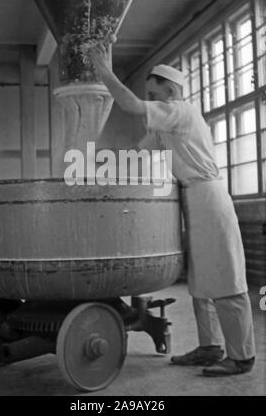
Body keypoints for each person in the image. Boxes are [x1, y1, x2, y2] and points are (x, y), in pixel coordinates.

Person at [89, 43, 256, 376]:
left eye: (156, 93)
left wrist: (105, 73)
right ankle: (210, 347)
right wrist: (96, 164)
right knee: (201, 281)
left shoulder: (181, 111)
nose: (153, 100)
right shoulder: (166, 128)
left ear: (172, 89)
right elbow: (136, 151)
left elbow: (131, 105)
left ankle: (242, 357)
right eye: (150, 94)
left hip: (209, 197)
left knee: (225, 278)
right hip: (193, 198)